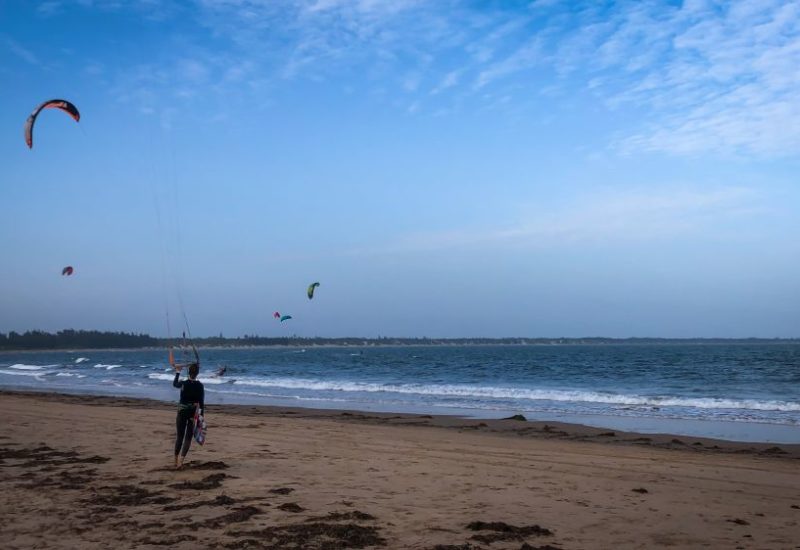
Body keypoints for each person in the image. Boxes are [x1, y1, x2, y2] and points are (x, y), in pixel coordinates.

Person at [172, 361, 204, 469]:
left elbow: (175, 384)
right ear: (197, 374)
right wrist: (201, 417)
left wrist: (177, 372)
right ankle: (181, 461)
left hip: (182, 412)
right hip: (192, 414)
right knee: (188, 438)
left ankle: (175, 460)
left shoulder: (184, 383)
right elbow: (201, 403)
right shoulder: (200, 386)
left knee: (180, 437)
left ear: (188, 372)